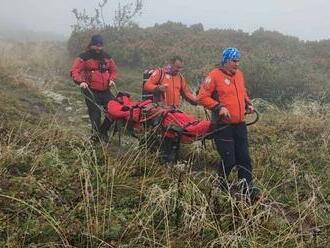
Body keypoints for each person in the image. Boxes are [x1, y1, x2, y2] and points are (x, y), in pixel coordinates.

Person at [197, 47, 261, 201]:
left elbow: (242, 92)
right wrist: (219, 107)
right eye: (234, 61)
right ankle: (221, 185)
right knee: (229, 159)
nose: (237, 64)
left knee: (244, 158)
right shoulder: (214, 76)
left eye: (238, 61)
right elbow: (202, 97)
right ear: (225, 61)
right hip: (222, 126)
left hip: (239, 124)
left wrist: (248, 104)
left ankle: (247, 189)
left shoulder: (239, 75)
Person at [143, 56, 198, 163]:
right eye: (177, 67)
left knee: (176, 133)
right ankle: (163, 159)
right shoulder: (160, 73)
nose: (179, 70)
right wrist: (158, 88)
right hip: (161, 109)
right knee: (166, 134)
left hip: (174, 110)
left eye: (181, 68)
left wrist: (197, 101)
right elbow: (147, 85)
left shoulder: (180, 78)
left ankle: (172, 158)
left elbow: (186, 93)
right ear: (171, 64)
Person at [70, 34, 118, 141]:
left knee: (115, 110)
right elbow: (74, 70)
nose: (98, 48)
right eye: (96, 45)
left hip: (106, 90)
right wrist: (81, 81)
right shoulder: (83, 57)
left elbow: (113, 71)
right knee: (95, 114)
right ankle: (95, 137)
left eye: (101, 45)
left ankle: (103, 131)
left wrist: (111, 79)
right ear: (92, 44)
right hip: (90, 90)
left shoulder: (107, 57)